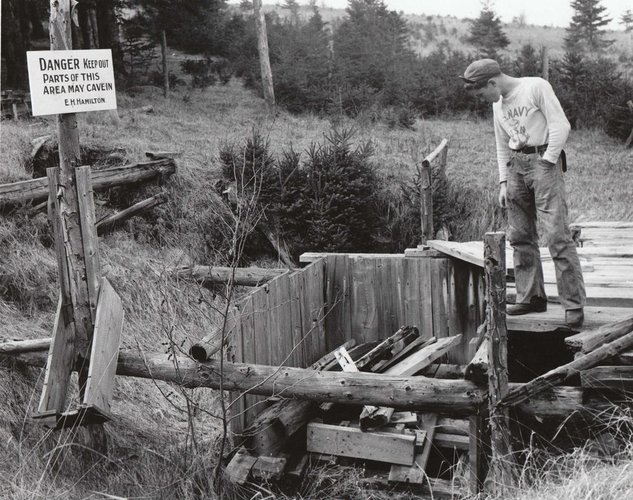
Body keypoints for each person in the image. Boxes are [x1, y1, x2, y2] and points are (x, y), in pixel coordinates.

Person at [459, 58, 585, 328]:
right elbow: (501, 144)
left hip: (543, 162)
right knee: (520, 235)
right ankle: (531, 297)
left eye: (482, 93)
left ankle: (573, 305)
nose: (483, 99)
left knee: (557, 235)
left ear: (492, 82)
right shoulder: (497, 105)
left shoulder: (535, 87)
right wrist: (503, 182)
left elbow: (561, 125)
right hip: (515, 166)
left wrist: (548, 160)